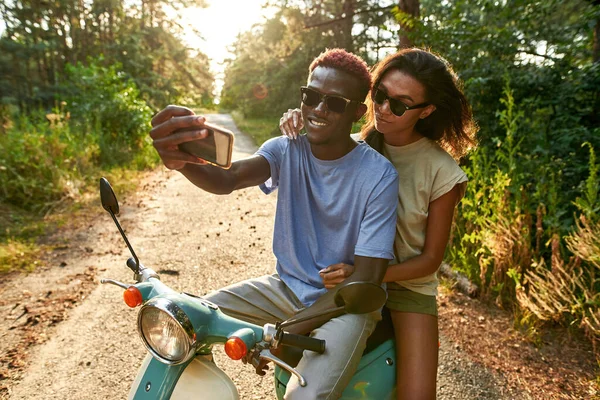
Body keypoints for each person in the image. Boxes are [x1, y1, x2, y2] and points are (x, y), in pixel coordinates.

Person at [149, 49, 400, 399]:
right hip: (285, 288)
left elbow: (366, 283)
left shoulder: (379, 176)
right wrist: (179, 160)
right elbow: (228, 178)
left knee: (304, 396)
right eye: (311, 97)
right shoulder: (286, 148)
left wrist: (279, 334)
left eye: (335, 103)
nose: (318, 109)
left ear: (358, 111)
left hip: (346, 306)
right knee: (183, 322)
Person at [279, 48, 478, 400]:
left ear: (426, 110)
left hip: (404, 287)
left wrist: (364, 274)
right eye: (380, 96)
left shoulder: (443, 172)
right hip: (340, 274)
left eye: (400, 105)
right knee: (289, 360)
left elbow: (431, 260)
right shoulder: (352, 145)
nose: (384, 110)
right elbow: (304, 149)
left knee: (417, 395)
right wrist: (297, 119)